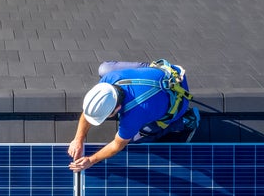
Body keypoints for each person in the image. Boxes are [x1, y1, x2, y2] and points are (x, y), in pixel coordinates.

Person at [68, 60, 200, 172]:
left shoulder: (133, 116)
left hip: (178, 98)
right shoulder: (108, 80)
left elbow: (117, 145)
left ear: (118, 108)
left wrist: (91, 160)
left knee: (138, 138)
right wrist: (77, 140)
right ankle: (147, 72)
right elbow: (89, 112)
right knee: (104, 68)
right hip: (167, 72)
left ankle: (186, 121)